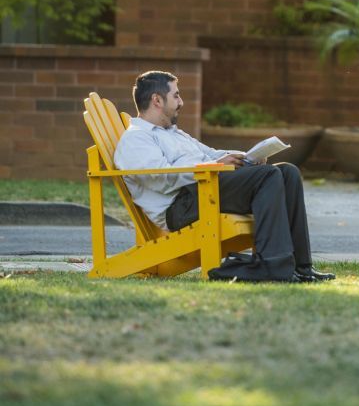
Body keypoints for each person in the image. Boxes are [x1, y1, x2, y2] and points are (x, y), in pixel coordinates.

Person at [114, 70, 335, 283]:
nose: (181, 102)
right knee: (266, 176)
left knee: (287, 172)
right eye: (176, 95)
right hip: (180, 206)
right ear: (157, 100)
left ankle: (301, 267)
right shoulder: (137, 138)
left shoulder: (173, 133)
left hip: (203, 190)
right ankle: (271, 264)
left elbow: (210, 153)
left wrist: (242, 157)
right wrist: (213, 165)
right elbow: (160, 178)